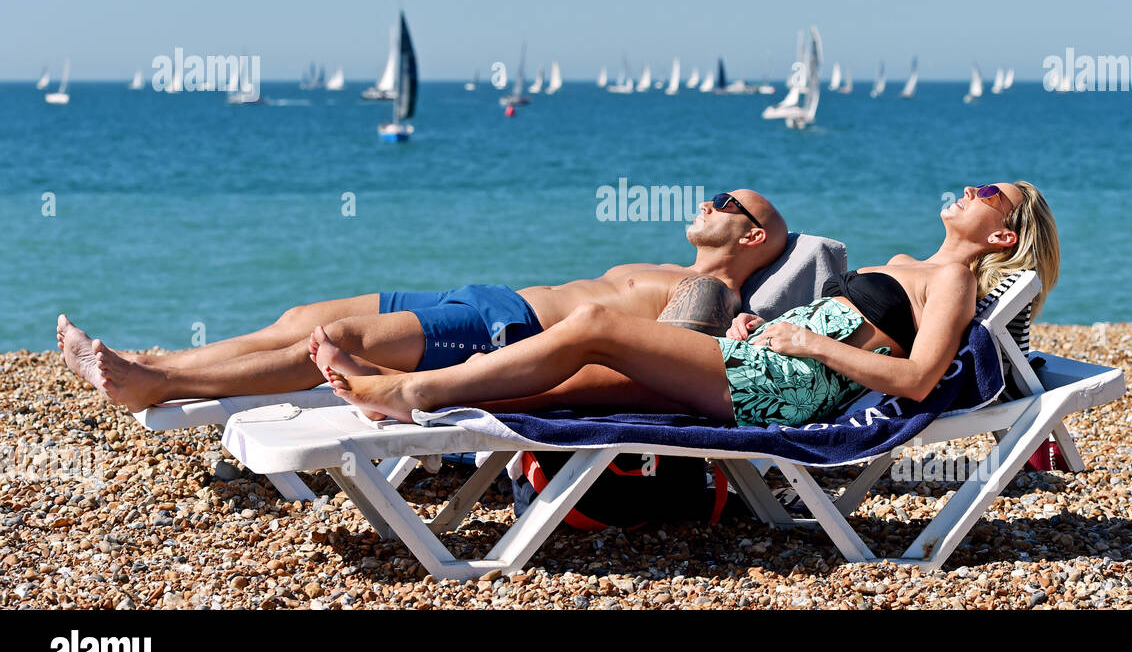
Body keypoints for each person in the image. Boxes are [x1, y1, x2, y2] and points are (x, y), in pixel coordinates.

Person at [316, 182, 1059, 427]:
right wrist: (767, 324)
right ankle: (440, 414)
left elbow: (919, 378)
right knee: (575, 391)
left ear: (1000, 233)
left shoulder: (955, 282)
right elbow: (858, 326)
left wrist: (810, 347)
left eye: (986, 193)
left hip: (786, 385)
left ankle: (408, 392)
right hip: (763, 357)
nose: (968, 189)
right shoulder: (913, 265)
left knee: (599, 326)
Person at [57, 190, 788, 412]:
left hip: (508, 330)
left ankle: (157, 383)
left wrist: (516, 394)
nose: (705, 199)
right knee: (301, 319)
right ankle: (152, 358)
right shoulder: (669, 267)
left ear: (753, 234)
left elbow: (647, 377)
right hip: (489, 298)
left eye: (724, 201)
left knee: (339, 340)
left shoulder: (713, 296)